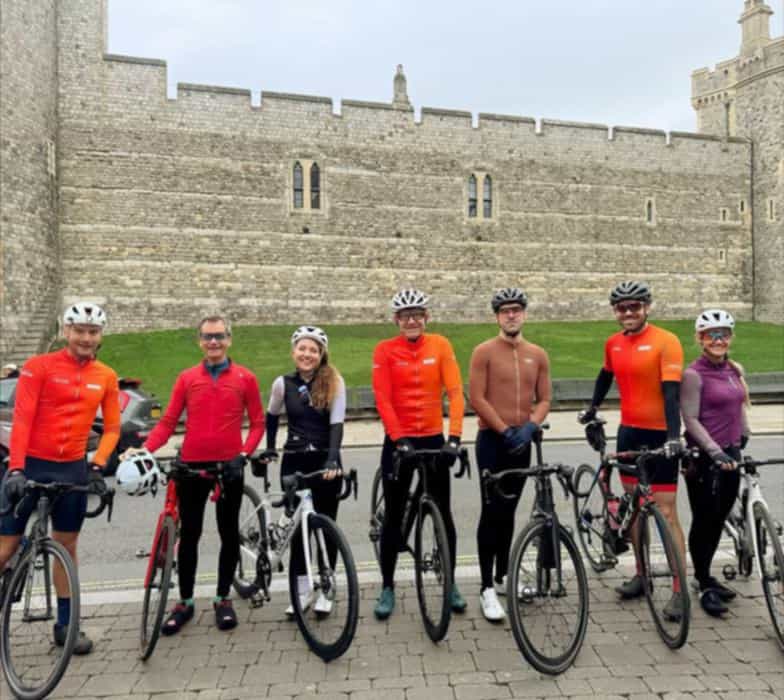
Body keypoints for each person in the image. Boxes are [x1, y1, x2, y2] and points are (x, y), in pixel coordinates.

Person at [130, 315, 264, 634]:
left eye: (219, 336)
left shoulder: (245, 377)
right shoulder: (187, 377)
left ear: (229, 339)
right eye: (207, 337)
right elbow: (168, 421)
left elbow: (258, 423)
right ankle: (185, 601)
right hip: (191, 467)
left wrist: (243, 454)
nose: (213, 342)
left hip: (228, 468)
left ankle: (222, 599)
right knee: (189, 535)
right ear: (199, 341)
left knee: (229, 534)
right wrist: (146, 449)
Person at [0, 303, 120, 654]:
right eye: (79, 330)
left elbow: (112, 428)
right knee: (6, 545)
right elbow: (22, 420)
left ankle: (66, 625)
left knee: (66, 547)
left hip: (72, 468)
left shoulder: (106, 375)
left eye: (92, 331)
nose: (85, 337)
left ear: (100, 336)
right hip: (31, 465)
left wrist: (97, 466)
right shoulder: (39, 367)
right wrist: (18, 469)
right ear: (66, 330)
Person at [580, 281, 686, 619]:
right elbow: (605, 375)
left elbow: (671, 393)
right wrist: (593, 408)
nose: (628, 313)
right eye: (622, 308)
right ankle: (641, 575)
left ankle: (680, 590)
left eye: (635, 307)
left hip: (660, 435)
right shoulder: (613, 343)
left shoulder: (666, 341)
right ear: (615, 311)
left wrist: (673, 436)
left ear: (647, 308)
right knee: (635, 509)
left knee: (667, 512)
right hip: (628, 434)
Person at [371, 288, 466, 620]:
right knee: (395, 514)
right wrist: (399, 439)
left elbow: (455, 392)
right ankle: (386, 586)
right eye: (404, 316)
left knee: (444, 512)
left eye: (417, 315)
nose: (411, 321)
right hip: (399, 442)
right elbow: (382, 398)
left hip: (432, 438)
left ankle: (451, 581)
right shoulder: (385, 350)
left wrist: (454, 437)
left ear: (426, 317)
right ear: (396, 320)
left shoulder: (440, 345)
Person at [469, 287, 552, 621]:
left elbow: (545, 398)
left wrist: (531, 426)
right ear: (497, 316)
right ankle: (486, 586)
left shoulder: (538, 354)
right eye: (505, 311)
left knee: (509, 512)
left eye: (516, 310)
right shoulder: (484, 351)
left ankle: (504, 577)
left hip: (522, 440)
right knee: (491, 513)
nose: (511, 315)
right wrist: (504, 430)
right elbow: (476, 396)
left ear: (524, 314)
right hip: (493, 440)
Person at [259, 325, 346, 617]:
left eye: (313, 350)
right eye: (302, 348)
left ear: (321, 354)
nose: (307, 354)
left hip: (325, 460)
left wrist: (333, 459)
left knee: (325, 524)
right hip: (294, 460)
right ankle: (302, 590)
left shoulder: (334, 381)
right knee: (296, 530)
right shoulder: (282, 384)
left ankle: (327, 585)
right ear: (294, 350)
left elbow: (336, 424)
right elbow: (271, 416)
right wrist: (270, 447)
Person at [681, 309, 749, 616]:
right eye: (711, 334)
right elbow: (690, 419)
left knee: (719, 518)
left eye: (723, 334)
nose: (718, 339)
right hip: (704, 458)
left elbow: (739, 407)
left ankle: (707, 574)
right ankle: (703, 581)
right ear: (700, 338)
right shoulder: (694, 374)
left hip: (731, 453)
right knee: (704, 520)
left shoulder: (734, 369)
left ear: (730, 337)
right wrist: (714, 451)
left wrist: (744, 435)